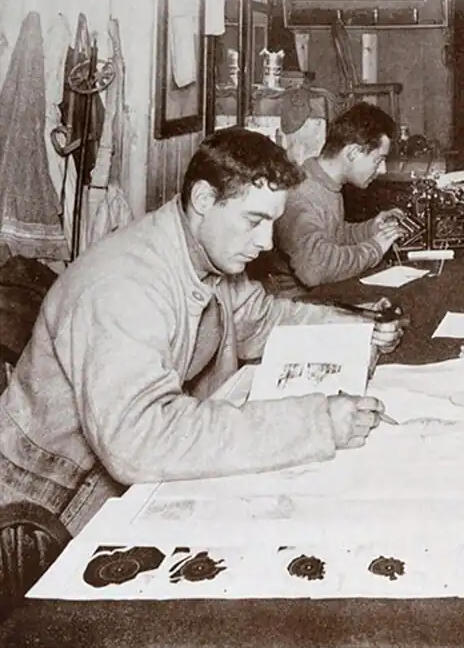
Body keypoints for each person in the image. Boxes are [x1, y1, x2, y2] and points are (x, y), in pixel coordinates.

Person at [0, 127, 403, 537]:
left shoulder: (205, 252)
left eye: (272, 222)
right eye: (254, 221)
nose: (266, 242)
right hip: (44, 510)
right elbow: (140, 439)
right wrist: (316, 423)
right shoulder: (123, 285)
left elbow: (262, 320)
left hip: (107, 479)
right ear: (204, 199)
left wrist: (357, 328)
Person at [261, 102, 405, 290]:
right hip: (291, 297)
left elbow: (333, 235)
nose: (382, 170)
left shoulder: (326, 184)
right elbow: (315, 269)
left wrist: (371, 228)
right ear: (353, 152)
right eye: (378, 160)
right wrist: (375, 248)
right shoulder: (302, 194)